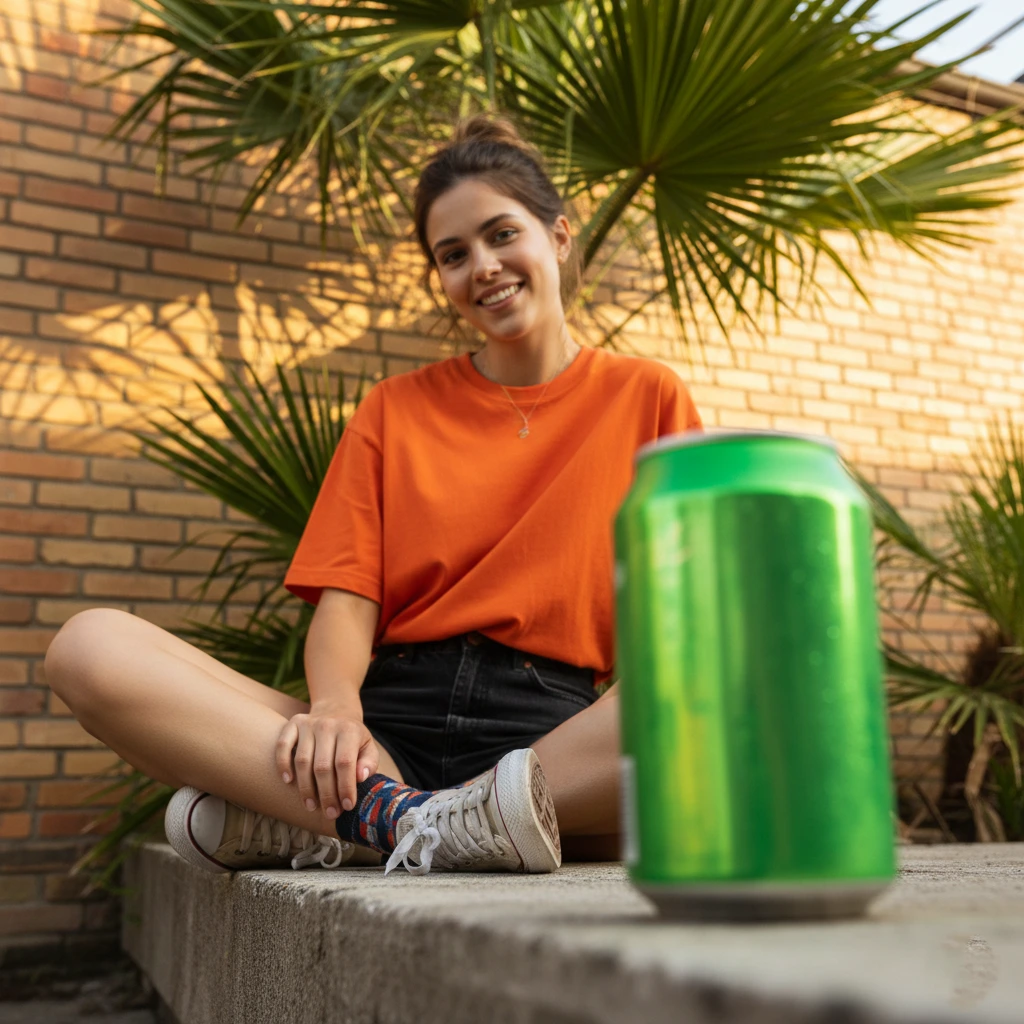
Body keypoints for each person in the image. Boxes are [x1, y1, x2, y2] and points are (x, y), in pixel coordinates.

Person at [44, 115, 702, 878]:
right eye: (452, 255)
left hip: (552, 748)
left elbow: (678, 623)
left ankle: (372, 824)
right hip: (383, 735)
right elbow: (347, 599)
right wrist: (334, 713)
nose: (481, 267)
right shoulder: (396, 406)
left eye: (500, 235)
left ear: (558, 236)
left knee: (727, 687)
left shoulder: (648, 395)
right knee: (89, 648)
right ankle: (427, 819)